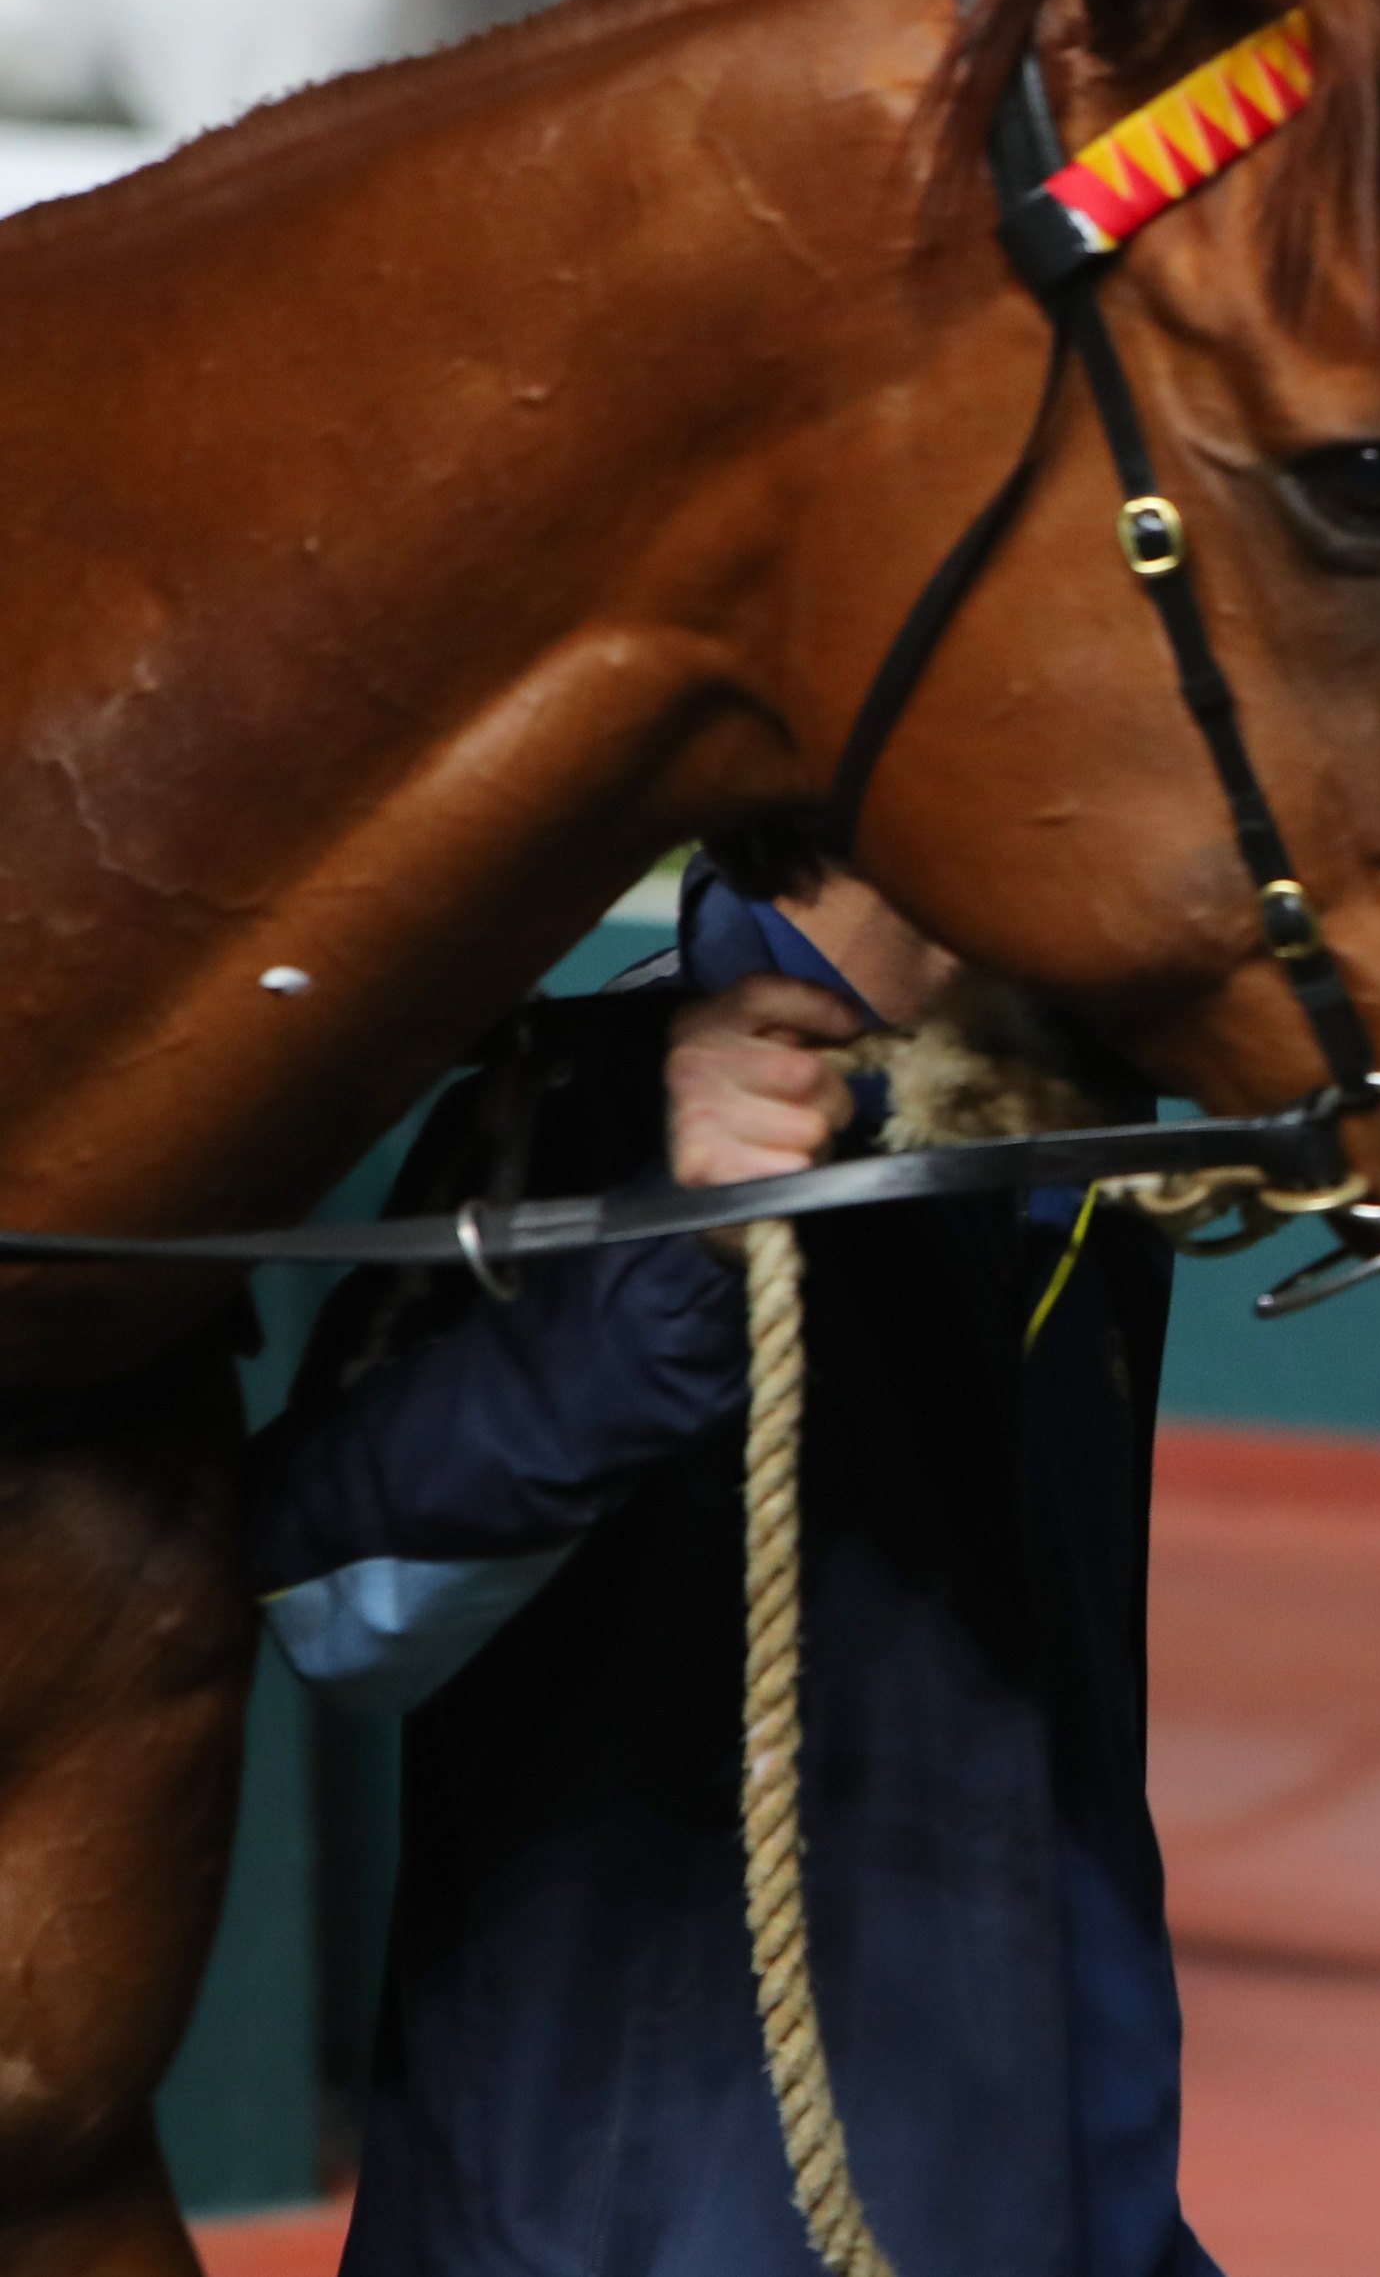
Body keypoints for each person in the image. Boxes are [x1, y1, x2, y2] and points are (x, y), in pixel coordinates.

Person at [249, 829, 1217, 2277]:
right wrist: (670, 1257)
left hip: (1058, 2193)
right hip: (632, 2226)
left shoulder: (1078, 1128)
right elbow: (339, 1604)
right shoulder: (585, 1094)